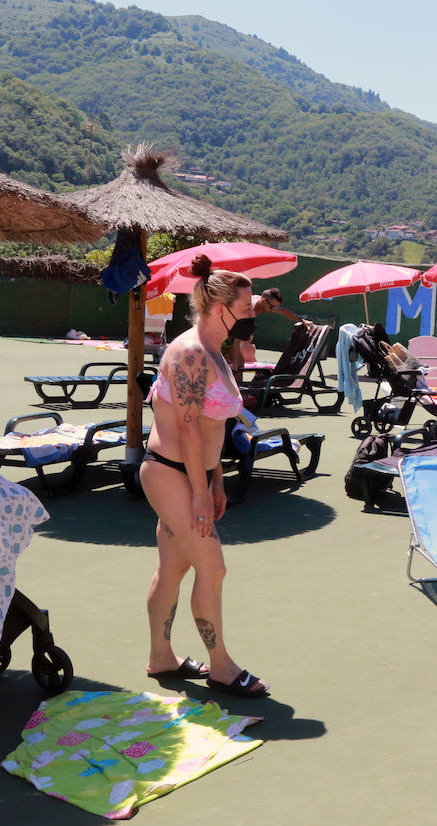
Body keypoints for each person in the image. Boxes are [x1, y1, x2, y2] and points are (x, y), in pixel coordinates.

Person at [140, 253, 267, 698]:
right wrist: (198, 492)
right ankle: (222, 667)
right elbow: (191, 428)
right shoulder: (192, 352)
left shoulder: (214, 350)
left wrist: (216, 482)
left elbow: (215, 429)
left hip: (189, 474)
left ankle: (161, 657)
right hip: (171, 473)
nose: (253, 315)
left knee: (174, 567)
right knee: (212, 567)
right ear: (221, 309)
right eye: (247, 309)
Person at [227, 287, 309, 376]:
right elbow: (235, 334)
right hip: (225, 334)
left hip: (233, 333)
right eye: (272, 307)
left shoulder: (265, 304)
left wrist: (301, 320)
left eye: (275, 307)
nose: (273, 310)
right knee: (237, 363)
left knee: (239, 363)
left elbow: (282, 311)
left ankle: (237, 386)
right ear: (263, 301)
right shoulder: (248, 309)